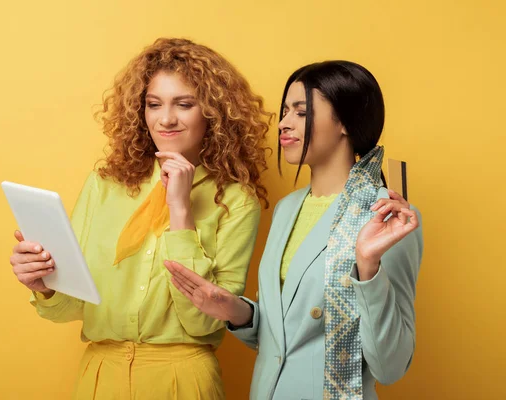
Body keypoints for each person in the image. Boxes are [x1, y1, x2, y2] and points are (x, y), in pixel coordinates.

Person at [8, 37, 272, 400]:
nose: (166, 119)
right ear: (140, 110)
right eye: (153, 104)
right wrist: (44, 284)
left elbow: (204, 319)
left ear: (213, 112)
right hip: (100, 376)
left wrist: (180, 208)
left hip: (182, 379)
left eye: (184, 104)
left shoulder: (236, 201)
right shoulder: (104, 185)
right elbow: (73, 306)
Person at [165, 60, 424, 400]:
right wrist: (235, 311)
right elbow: (285, 336)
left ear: (345, 122)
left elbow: (391, 365)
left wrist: (368, 267)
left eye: (301, 113)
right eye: (285, 111)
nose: (284, 124)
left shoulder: (387, 216)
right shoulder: (287, 209)